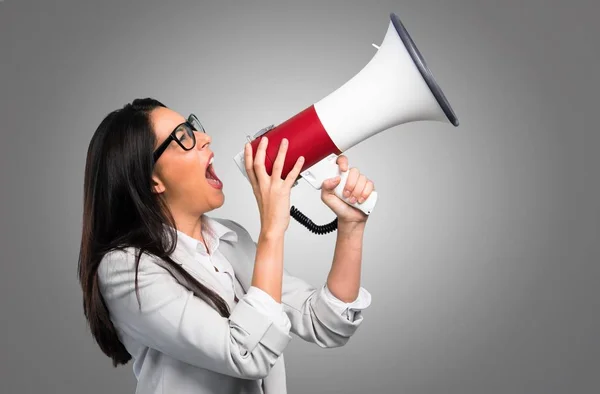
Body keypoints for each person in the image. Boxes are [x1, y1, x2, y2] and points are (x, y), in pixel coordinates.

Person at [78, 98, 374, 394]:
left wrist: (351, 225)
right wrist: (272, 228)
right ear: (153, 178)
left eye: (194, 128)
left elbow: (324, 323)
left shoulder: (230, 239)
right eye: (183, 137)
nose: (205, 139)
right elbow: (246, 353)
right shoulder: (127, 269)